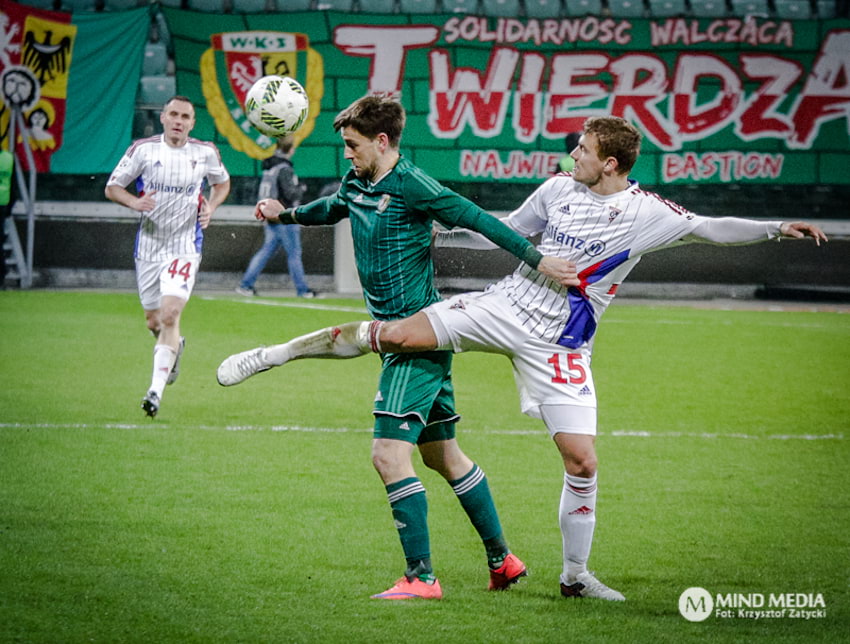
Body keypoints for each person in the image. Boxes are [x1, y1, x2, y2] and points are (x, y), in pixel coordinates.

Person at [216, 115, 828, 601]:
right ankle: (275, 355)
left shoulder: (647, 213)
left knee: (581, 459)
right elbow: (506, 225)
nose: (572, 158)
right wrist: (447, 230)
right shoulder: (559, 188)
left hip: (561, 341)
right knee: (399, 335)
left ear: (609, 163)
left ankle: (575, 576)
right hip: (506, 304)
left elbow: (712, 227)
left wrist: (778, 226)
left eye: (583, 150)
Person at [218, 95, 579, 600]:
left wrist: (537, 260)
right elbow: (332, 208)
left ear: (382, 141)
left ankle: (421, 578)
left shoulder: (413, 184)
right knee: (443, 456)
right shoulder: (357, 182)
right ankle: (503, 561)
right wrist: (287, 215)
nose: (346, 153)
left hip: (417, 338)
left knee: (388, 456)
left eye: (353, 145)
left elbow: (479, 218)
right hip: (396, 339)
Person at [106, 95, 230, 418]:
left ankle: (155, 392)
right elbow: (112, 187)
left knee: (170, 315)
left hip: (185, 246)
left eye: (185, 116)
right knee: (155, 322)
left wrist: (211, 207)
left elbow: (222, 183)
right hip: (148, 246)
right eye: (173, 114)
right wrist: (134, 203)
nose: (178, 120)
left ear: (192, 123)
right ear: (162, 117)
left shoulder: (205, 153)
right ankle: (173, 348)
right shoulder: (143, 150)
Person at [235, 136, 317, 298]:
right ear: (291, 149)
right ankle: (303, 290)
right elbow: (290, 193)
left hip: (269, 214)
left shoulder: (270, 167)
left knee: (267, 250)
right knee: (294, 253)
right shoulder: (284, 168)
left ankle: (246, 284)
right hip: (284, 215)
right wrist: (302, 188)